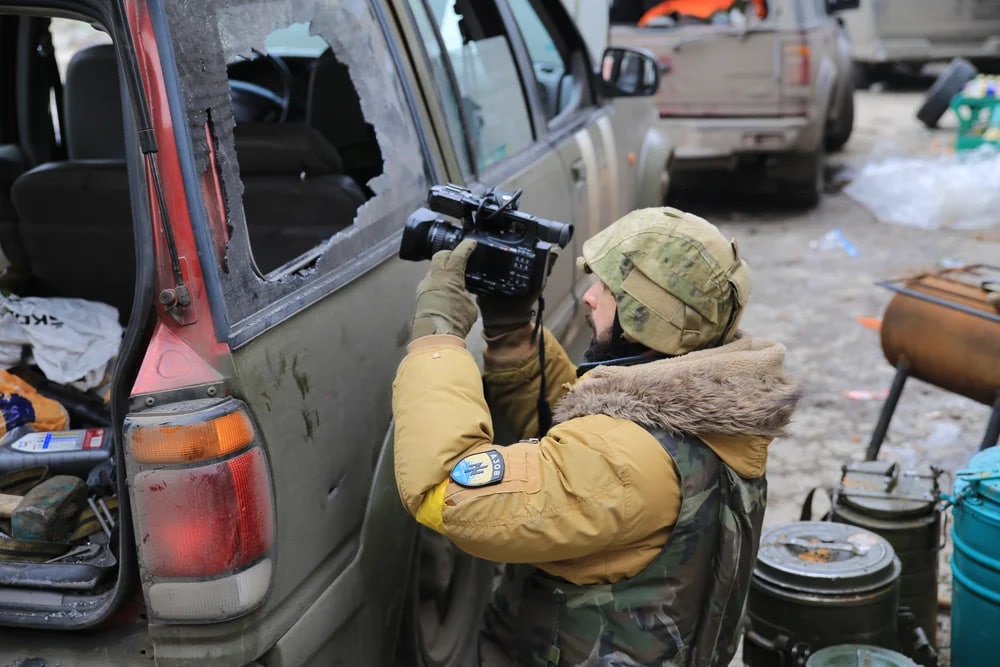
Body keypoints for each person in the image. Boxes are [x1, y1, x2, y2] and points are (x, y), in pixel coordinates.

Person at [392, 206, 801, 666]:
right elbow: (575, 454)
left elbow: (446, 491)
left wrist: (437, 341)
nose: (588, 297)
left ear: (648, 317)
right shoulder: (709, 410)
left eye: (607, 287)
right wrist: (512, 333)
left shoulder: (626, 461)